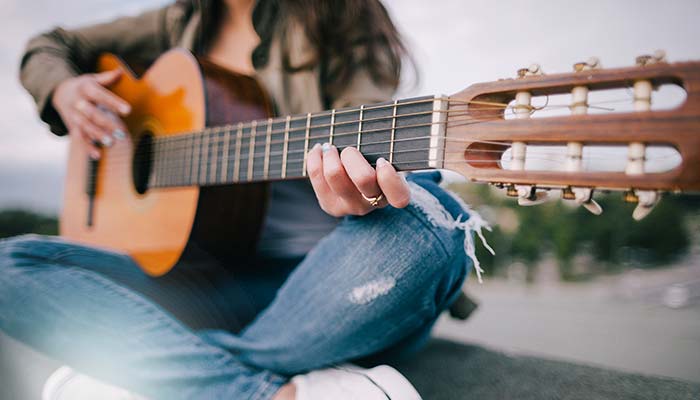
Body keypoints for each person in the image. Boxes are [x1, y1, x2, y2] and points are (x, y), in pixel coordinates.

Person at [1, 0, 486, 399]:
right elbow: (49, 45)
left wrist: (361, 191)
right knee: (8, 267)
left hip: (318, 285)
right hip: (201, 279)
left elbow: (373, 147)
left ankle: (141, 369)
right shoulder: (179, 21)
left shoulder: (344, 13)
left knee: (435, 222)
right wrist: (63, 89)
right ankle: (261, 392)